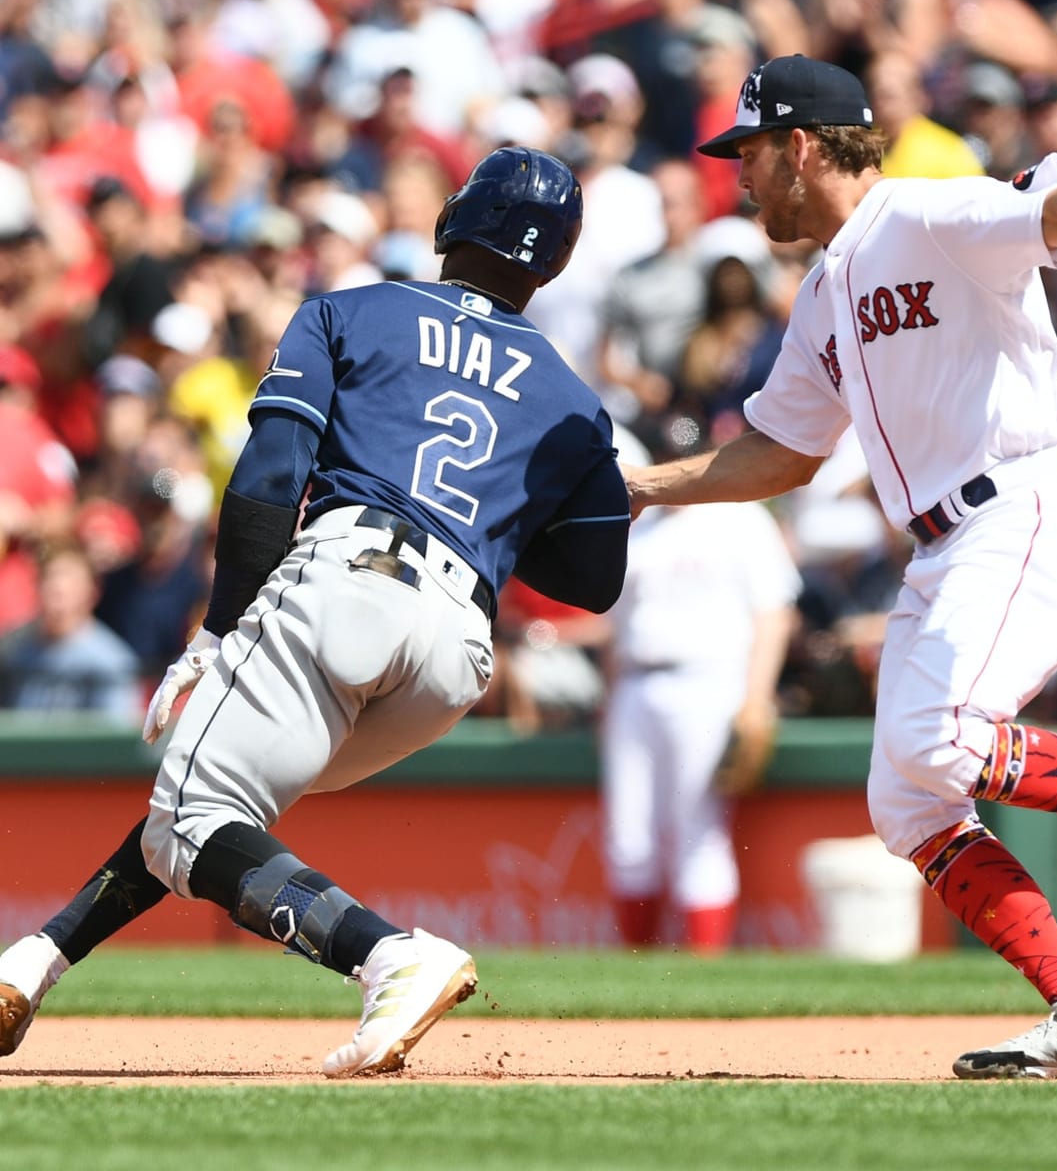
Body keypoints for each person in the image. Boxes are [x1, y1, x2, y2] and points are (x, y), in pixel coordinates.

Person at [623, 53, 1057, 1079]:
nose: (740, 175)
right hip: (943, 551)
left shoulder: (928, 215)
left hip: (1025, 505)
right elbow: (783, 454)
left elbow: (1048, 219)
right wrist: (641, 487)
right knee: (909, 801)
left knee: (943, 740)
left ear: (802, 146)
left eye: (751, 152)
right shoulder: (824, 288)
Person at [0, 147, 631, 1077]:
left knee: (197, 810)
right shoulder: (573, 400)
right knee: (208, 807)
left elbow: (268, 480)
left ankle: (388, 956)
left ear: (455, 219)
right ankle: (35, 960)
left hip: (350, 579)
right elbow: (594, 579)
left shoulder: (355, 308)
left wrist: (216, 631)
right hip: (457, 649)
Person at [601, 425, 799, 952]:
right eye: (669, 456)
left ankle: (702, 970)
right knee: (628, 840)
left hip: (710, 683)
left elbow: (774, 615)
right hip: (636, 684)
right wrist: (609, 698)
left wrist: (756, 699)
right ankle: (638, 970)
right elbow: (616, 628)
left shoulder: (739, 516)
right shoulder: (638, 528)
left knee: (698, 833)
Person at [0, 539, 141, 721]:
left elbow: (114, 734)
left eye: (69, 582)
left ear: (92, 592)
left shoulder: (109, 661)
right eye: (50, 580)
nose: (57, 590)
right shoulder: (13, 649)